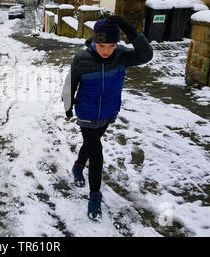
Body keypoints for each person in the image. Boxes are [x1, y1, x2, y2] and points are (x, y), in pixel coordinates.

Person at [62, 16, 153, 221]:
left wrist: (131, 30)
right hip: (86, 112)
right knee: (97, 153)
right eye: (102, 45)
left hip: (108, 112)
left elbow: (146, 55)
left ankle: (78, 166)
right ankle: (95, 195)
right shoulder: (82, 60)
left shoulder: (121, 56)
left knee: (91, 143)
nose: (106, 50)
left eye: (111, 45)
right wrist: (67, 105)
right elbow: (71, 83)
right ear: (94, 41)